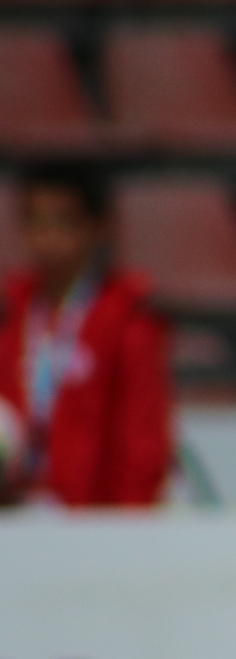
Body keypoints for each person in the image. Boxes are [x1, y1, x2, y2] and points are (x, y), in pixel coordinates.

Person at [0, 163, 170, 507]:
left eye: (63, 222)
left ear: (96, 227)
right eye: (36, 222)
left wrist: (126, 523)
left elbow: (142, 440)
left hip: (93, 521)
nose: (47, 238)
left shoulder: (127, 319)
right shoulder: (10, 313)